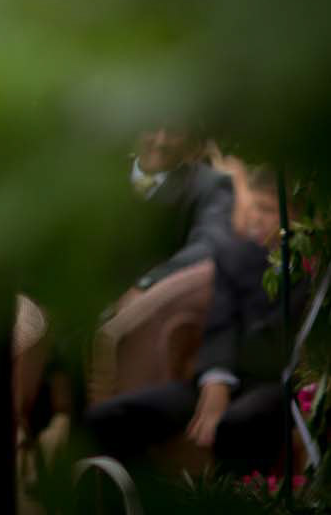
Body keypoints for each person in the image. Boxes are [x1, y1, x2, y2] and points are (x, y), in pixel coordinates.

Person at [87, 163, 296, 476]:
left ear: (296, 217)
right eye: (252, 207)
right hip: (219, 376)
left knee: (236, 425)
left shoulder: (311, 265)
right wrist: (215, 380)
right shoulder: (235, 255)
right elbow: (220, 324)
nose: (254, 218)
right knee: (109, 417)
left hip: (276, 384)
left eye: (266, 210)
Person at [125, 128, 235, 293]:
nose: (161, 142)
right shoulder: (102, 174)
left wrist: (148, 284)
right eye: (152, 128)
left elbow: (211, 243)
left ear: (187, 139)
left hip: (161, 298)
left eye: (173, 131)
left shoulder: (209, 185)